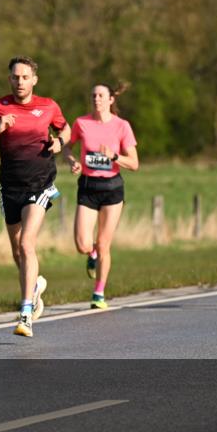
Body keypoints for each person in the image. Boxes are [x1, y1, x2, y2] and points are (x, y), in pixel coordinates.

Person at [0, 56, 70, 338]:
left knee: (27, 244)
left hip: (39, 184)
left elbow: (66, 128)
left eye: (25, 77)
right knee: (18, 251)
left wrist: (60, 142)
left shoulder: (48, 106)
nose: (20, 82)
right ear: (9, 80)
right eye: (15, 77)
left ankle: (26, 313)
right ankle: (36, 287)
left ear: (34, 80)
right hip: (10, 187)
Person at [63, 84, 140, 309]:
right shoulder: (81, 123)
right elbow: (67, 147)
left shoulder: (122, 126)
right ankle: (91, 252)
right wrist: (73, 161)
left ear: (110, 100)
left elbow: (134, 164)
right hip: (88, 187)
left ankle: (99, 293)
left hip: (112, 190)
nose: (96, 99)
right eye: (93, 95)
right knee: (82, 244)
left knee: (105, 244)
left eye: (101, 95)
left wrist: (114, 156)